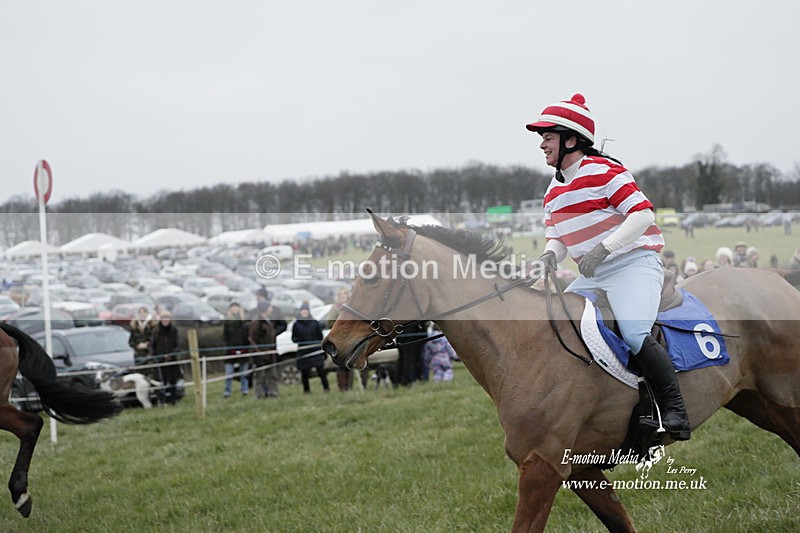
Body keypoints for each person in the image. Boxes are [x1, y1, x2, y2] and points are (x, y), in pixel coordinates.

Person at [526, 92, 690, 440]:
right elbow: (557, 237)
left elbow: (642, 214)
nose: (542, 144)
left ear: (572, 140)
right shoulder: (552, 191)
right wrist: (548, 258)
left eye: (547, 137)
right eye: (541, 138)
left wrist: (604, 248)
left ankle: (674, 411)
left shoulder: (605, 171)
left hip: (634, 264)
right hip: (593, 275)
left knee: (633, 333)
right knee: (558, 325)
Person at [292, 301, 330, 393]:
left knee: (321, 371)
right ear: (300, 312)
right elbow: (294, 338)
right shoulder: (296, 325)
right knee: (305, 373)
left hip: (315, 351)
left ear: (308, 312)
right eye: (303, 311)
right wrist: (302, 341)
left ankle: (326, 389)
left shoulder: (315, 323)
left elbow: (320, 337)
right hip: (304, 352)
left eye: (306, 311)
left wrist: (321, 349)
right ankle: (306, 391)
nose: (304, 312)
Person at [325, 286, 356, 391]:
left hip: (351, 339)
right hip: (340, 340)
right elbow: (329, 322)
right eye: (341, 294)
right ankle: (342, 389)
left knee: (351, 364)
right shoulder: (335, 308)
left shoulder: (352, 307)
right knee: (341, 364)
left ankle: (350, 388)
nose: (343, 296)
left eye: (345, 293)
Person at [149, 310, 181, 405]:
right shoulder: (156, 331)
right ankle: (161, 401)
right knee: (161, 382)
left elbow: (178, 345)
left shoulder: (174, 330)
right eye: (163, 318)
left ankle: (173, 401)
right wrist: (155, 356)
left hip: (172, 360)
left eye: (167, 318)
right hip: (160, 361)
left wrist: (171, 355)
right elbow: (152, 345)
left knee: (173, 382)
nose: (165, 320)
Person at [248, 300, 278, 398]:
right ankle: (259, 395)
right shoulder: (256, 323)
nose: (271, 309)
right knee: (259, 376)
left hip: (270, 353)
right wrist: (260, 353)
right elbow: (252, 339)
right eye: (269, 307)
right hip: (260, 355)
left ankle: (273, 393)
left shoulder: (269, 321)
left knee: (271, 375)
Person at [222, 302, 249, 398]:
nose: (234, 309)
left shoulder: (244, 324)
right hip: (230, 353)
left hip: (244, 352)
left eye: (236, 307)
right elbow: (225, 338)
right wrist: (231, 350)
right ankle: (227, 392)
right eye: (232, 308)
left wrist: (243, 350)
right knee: (229, 374)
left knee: (244, 374)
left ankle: (245, 390)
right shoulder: (227, 324)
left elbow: (247, 338)